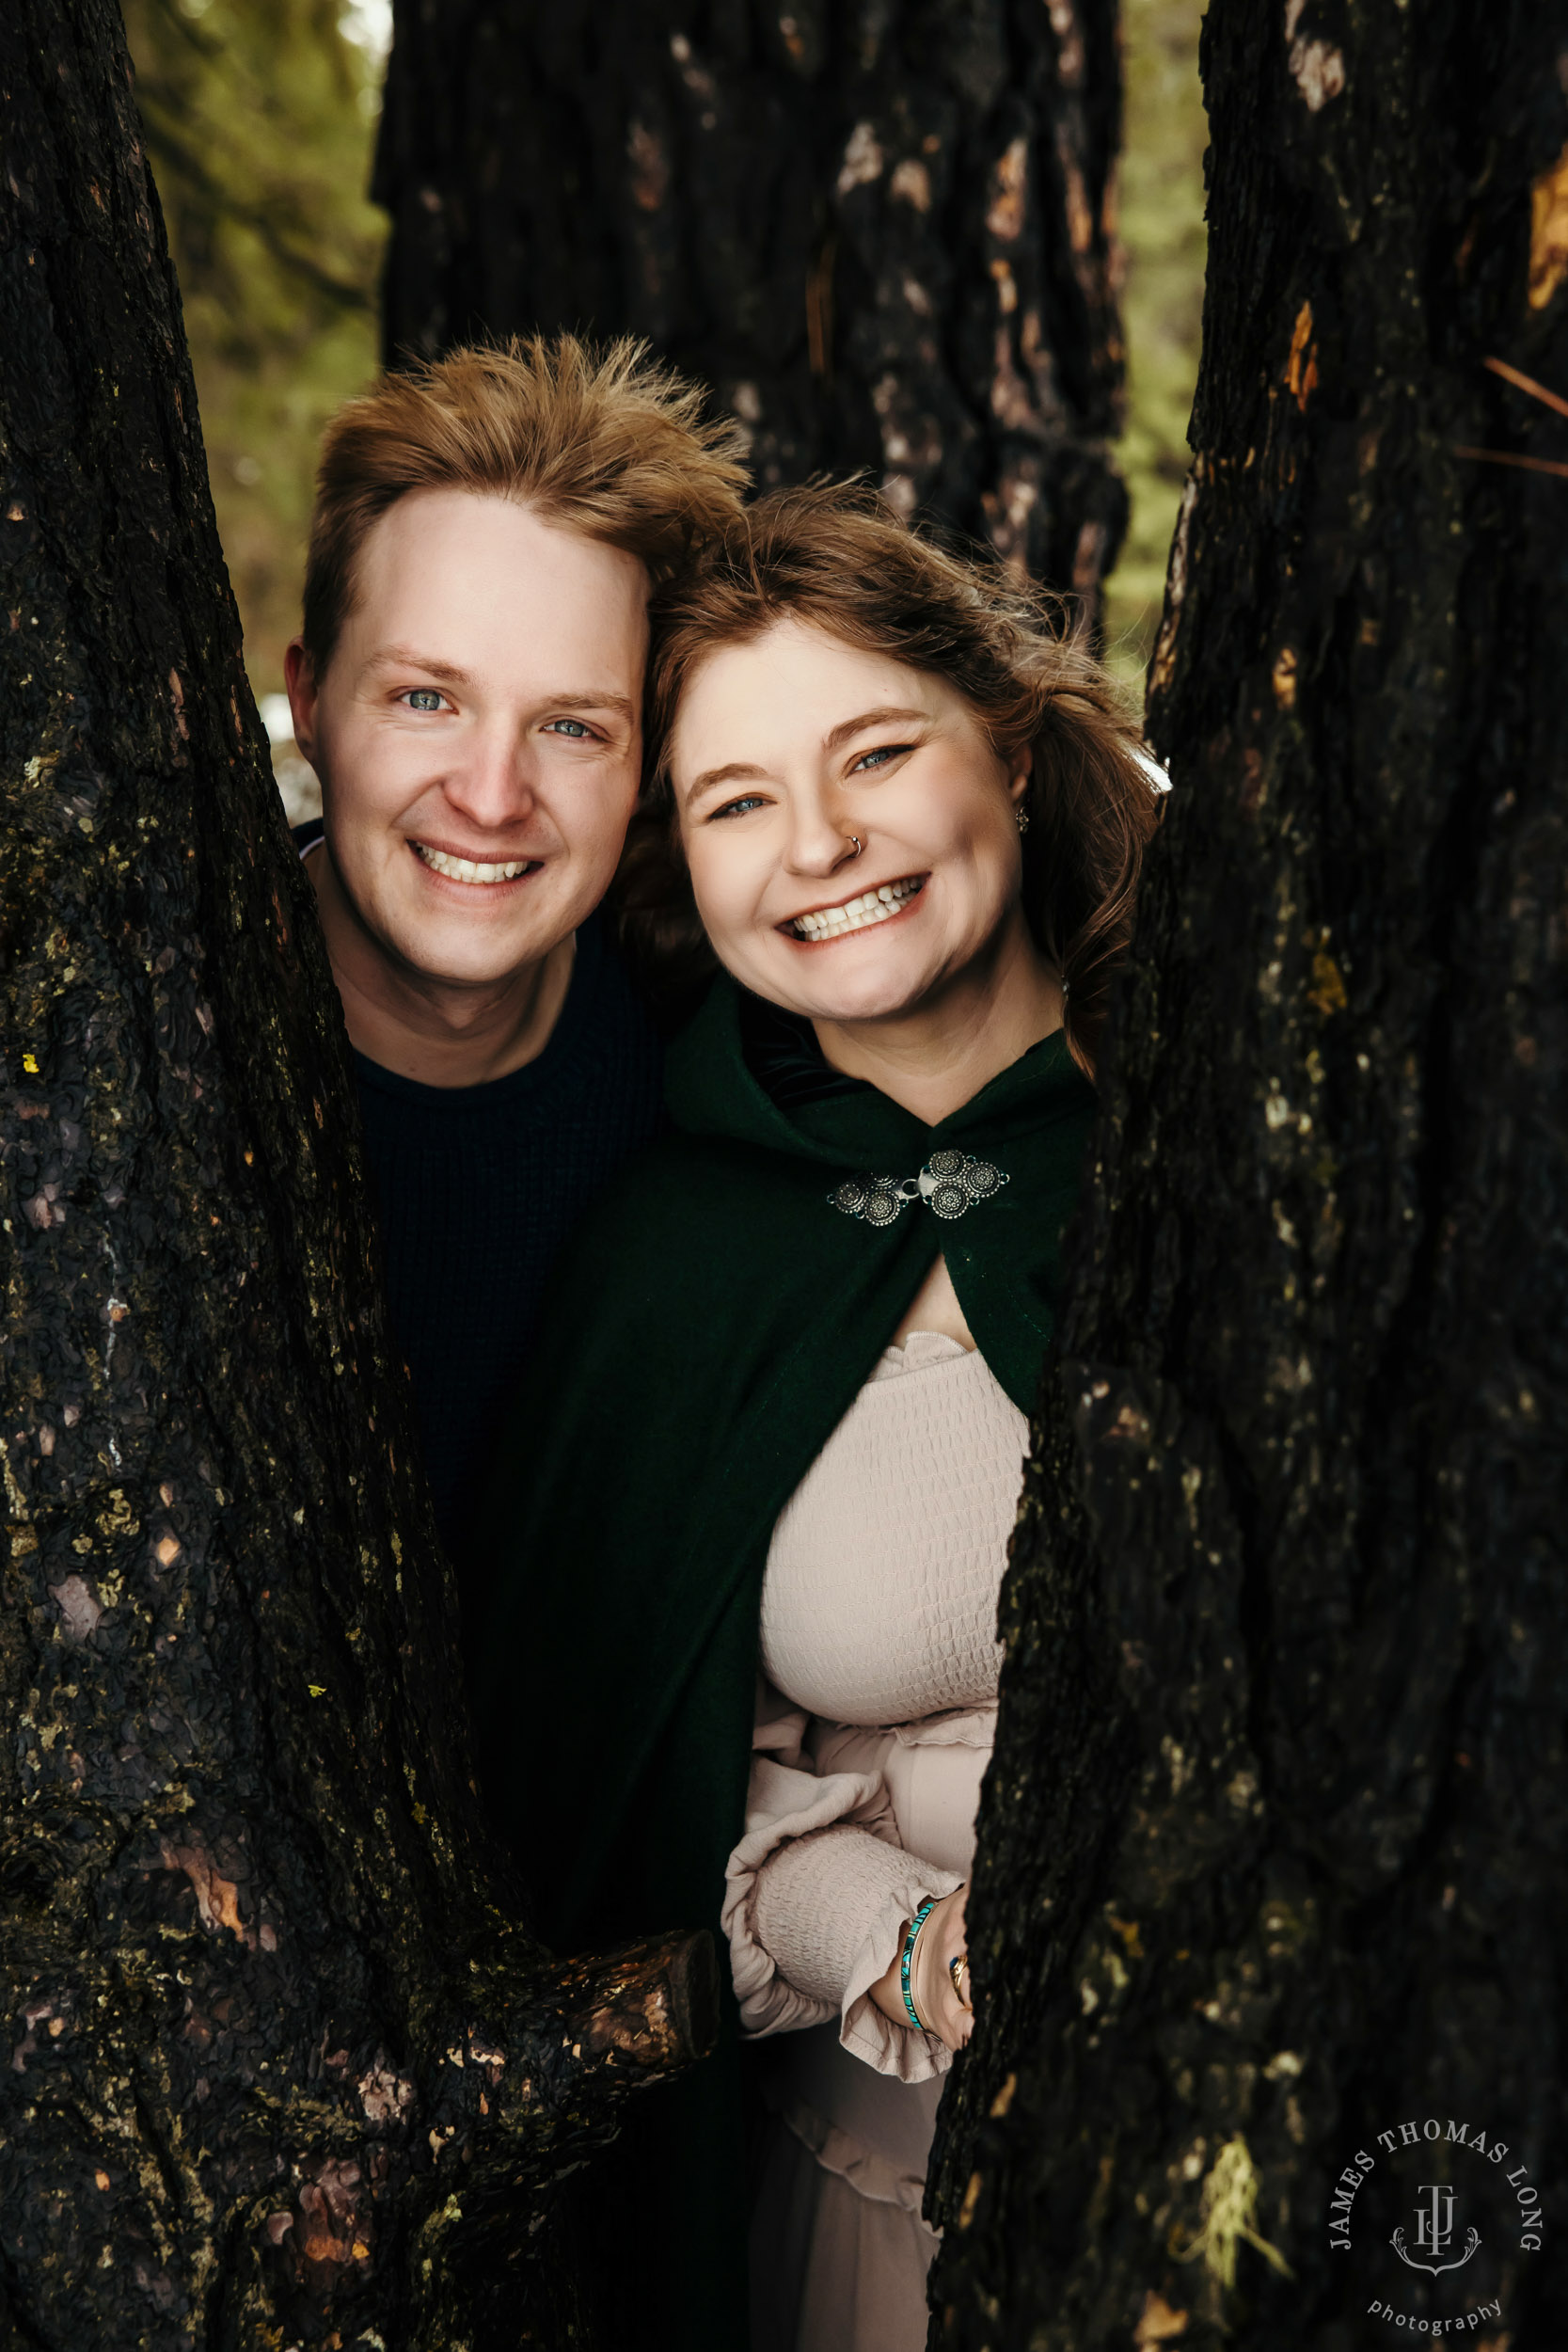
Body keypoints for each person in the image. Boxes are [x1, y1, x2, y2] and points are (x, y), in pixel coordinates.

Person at [475, 485, 1160, 2348]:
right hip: (885, 2201)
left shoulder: (1217, 1133)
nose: (823, 842)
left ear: (1009, 748)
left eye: (875, 750)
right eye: (738, 800)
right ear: (680, 869)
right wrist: (909, 1938)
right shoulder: (682, 1257)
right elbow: (635, 1783)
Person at [281, 337, 746, 1592]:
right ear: (310, 702)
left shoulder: (703, 1087)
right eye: (427, 699)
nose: (491, 798)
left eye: (569, 725)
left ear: (648, 759)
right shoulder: (128, 1056)